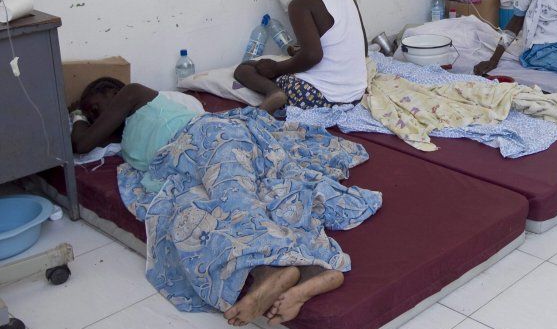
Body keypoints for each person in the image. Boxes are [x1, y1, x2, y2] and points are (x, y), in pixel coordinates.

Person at [71, 78, 352, 326]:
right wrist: (86, 118)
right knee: (197, 222)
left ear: (113, 91)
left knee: (235, 200)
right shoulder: (127, 142)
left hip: (209, 137)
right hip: (184, 171)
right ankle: (298, 273)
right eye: (93, 115)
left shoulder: (133, 93)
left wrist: (76, 114)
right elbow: (85, 143)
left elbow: (82, 142)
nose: (98, 116)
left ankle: (301, 267)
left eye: (97, 107)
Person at [235, 0, 368, 113]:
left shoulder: (301, 4)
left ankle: (274, 93)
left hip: (320, 97)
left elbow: (312, 55)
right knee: (291, 61)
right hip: (356, 93)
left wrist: (276, 69)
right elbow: (362, 47)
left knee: (245, 68)